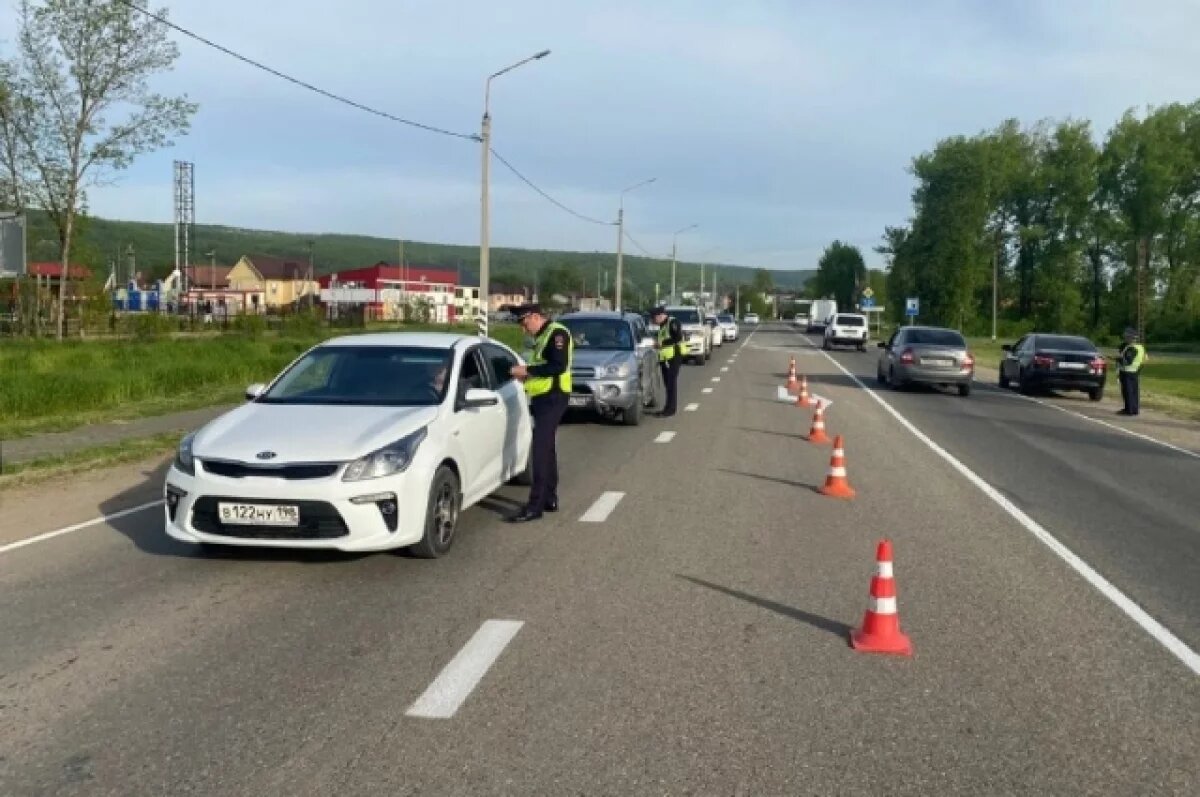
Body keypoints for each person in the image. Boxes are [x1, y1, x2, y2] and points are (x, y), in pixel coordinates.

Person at [507, 303, 574, 522]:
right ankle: (549, 498)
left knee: (540, 449)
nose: (523, 329)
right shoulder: (543, 335)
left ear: (535, 317)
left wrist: (527, 370)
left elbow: (558, 366)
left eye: (525, 323)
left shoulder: (557, 334)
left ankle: (535, 506)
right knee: (547, 449)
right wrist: (527, 375)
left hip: (554, 396)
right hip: (543, 397)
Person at [651, 306, 686, 417]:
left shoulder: (672, 322)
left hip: (674, 356)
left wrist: (662, 343)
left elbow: (677, 338)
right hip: (666, 358)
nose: (653, 321)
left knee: (671, 383)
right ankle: (668, 407)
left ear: (660, 315)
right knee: (668, 384)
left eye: (654, 318)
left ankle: (670, 409)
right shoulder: (663, 325)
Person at [1117, 327, 1147, 416]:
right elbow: (1145, 359)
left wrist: (1118, 360)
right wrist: (1139, 369)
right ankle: (1134, 409)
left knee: (1127, 391)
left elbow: (1127, 361)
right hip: (1135, 371)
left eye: (1127, 337)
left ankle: (1129, 410)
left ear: (1131, 338)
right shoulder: (1141, 347)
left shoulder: (1131, 348)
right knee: (1134, 392)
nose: (1125, 339)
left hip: (1127, 372)